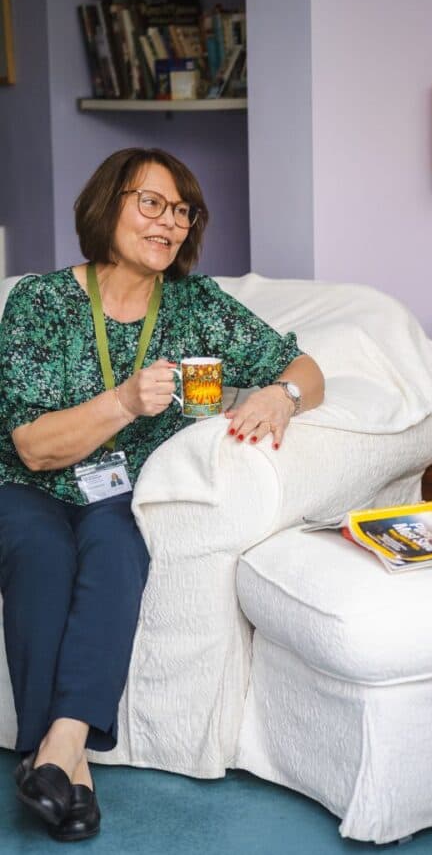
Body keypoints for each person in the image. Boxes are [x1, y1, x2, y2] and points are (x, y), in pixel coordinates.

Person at [0, 148, 325, 842]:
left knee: (118, 552)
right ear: (107, 204)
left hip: (122, 493)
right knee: (39, 554)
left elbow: (304, 366)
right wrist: (122, 401)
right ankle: (64, 766)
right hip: (26, 485)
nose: (170, 223)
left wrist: (282, 394)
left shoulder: (196, 306)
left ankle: (58, 747)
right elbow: (31, 444)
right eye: (152, 203)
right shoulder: (41, 302)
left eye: (182, 211)